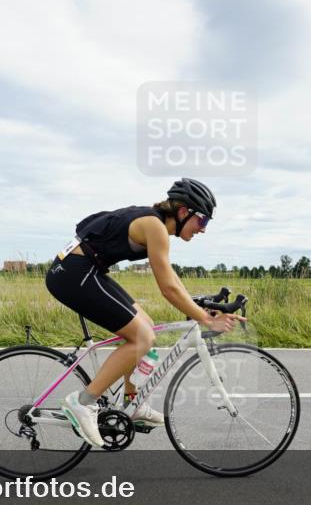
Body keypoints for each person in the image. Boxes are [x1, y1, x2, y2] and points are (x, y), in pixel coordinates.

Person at [45, 178, 247, 448]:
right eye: (202, 221)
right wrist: (205, 318)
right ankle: (82, 403)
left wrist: (198, 305)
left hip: (84, 269)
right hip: (73, 273)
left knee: (146, 328)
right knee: (142, 337)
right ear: (184, 212)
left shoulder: (155, 224)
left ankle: (133, 403)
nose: (203, 230)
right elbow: (167, 289)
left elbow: (172, 279)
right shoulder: (155, 227)